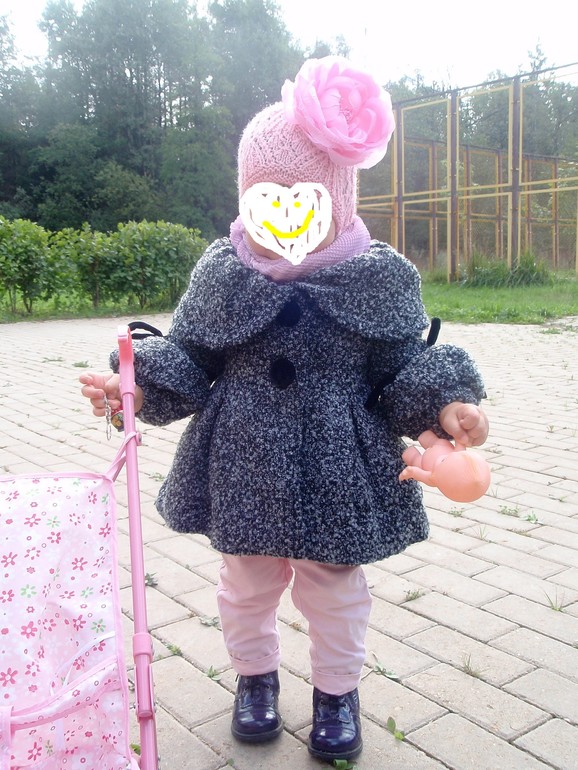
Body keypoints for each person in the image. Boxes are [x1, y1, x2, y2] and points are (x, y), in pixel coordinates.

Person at [80, 56, 489, 763]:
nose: (284, 217)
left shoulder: (374, 280)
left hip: (338, 465)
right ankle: (255, 681)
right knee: (245, 583)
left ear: (338, 198)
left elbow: (400, 367)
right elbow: (191, 356)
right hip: (244, 460)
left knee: (334, 586)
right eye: (266, 199)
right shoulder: (225, 275)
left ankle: (336, 693)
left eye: (304, 199)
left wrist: (446, 402)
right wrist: (137, 385)